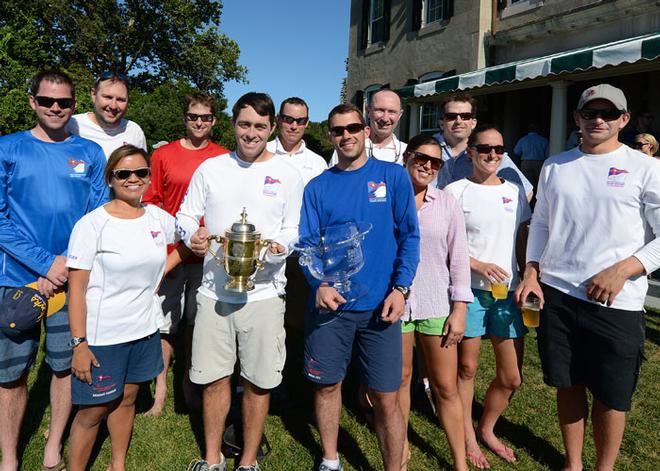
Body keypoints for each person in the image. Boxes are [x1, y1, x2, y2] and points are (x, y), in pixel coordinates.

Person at [516, 84, 660, 471]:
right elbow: (542, 224)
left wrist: (624, 269)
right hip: (558, 294)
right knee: (567, 383)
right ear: (577, 117)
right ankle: (574, 463)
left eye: (609, 114)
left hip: (616, 301)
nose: (599, 119)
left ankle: (605, 467)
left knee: (613, 395)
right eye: (590, 112)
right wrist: (531, 272)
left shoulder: (646, 167)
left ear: (624, 120)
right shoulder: (555, 165)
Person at [178, 92, 304, 471]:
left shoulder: (288, 173)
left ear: (271, 129)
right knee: (214, 378)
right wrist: (191, 236)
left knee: (257, 381)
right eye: (245, 124)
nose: (252, 133)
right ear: (233, 125)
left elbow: (295, 226)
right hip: (214, 289)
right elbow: (186, 215)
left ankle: (248, 461)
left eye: (260, 126)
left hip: (265, 293)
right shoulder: (212, 169)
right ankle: (212, 457)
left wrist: (283, 246)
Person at [299, 103, 419, 471]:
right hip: (331, 307)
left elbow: (410, 236)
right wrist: (317, 283)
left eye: (353, 127)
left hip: (380, 306)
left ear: (366, 130)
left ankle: (393, 467)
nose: (346, 135)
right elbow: (307, 244)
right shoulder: (317, 186)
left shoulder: (393, 177)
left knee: (387, 396)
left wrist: (401, 289)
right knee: (327, 386)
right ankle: (331, 458)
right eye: (337, 130)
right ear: (329, 136)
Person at [0, 70, 108, 471]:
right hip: (16, 279)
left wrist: (63, 265)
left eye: (63, 102)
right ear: (33, 102)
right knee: (11, 375)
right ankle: (9, 458)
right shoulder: (8, 149)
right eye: (47, 101)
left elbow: (95, 217)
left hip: (71, 280)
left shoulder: (91, 154)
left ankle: (52, 448)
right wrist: (45, 265)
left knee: (63, 367)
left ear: (74, 104)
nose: (56, 108)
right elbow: (0, 219)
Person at [66, 145, 186, 471]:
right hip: (103, 336)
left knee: (128, 399)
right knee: (92, 412)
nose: (133, 179)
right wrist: (79, 344)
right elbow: (75, 289)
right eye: (124, 174)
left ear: (149, 177)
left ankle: (117, 464)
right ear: (111, 179)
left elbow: (189, 241)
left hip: (144, 331)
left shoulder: (158, 218)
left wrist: (164, 268)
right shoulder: (92, 225)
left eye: (141, 172)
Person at [445, 125, 531, 469]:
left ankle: (487, 428)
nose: (492, 155)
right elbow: (444, 245)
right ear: (471, 152)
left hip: (508, 294)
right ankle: (467, 436)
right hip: (469, 292)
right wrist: (477, 264)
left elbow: (523, 239)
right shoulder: (455, 191)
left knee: (512, 377)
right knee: (466, 369)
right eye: (484, 149)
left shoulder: (515, 191)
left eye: (498, 149)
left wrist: (529, 277)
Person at [142, 93, 229, 416]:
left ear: (214, 121)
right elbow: (152, 202)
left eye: (205, 117)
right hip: (171, 254)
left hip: (208, 257)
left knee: (197, 323)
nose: (199, 122)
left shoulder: (223, 157)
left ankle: (189, 386)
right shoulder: (164, 155)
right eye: (194, 116)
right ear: (185, 118)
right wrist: (173, 240)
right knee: (166, 326)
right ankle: (160, 389)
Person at [398, 134, 472, 471]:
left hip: (435, 302)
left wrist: (460, 309)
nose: (427, 166)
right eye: (421, 158)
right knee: (399, 380)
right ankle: (398, 449)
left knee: (446, 386)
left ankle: (459, 461)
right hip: (396, 304)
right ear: (407, 158)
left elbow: (458, 259)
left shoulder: (447, 203)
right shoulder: (389, 200)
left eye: (435, 162)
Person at [433, 93, 533, 199]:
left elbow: (526, 192)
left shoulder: (489, 153)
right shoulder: (427, 150)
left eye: (465, 116)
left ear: (473, 123)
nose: (458, 121)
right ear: (441, 123)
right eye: (451, 116)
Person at [67, 72, 147, 158]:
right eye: (108, 97)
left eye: (120, 100)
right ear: (94, 95)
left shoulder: (134, 132)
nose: (113, 106)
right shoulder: (72, 125)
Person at [329, 89, 408, 166]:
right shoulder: (347, 147)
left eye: (392, 112)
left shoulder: (407, 152)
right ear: (368, 111)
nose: (385, 119)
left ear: (400, 115)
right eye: (380, 110)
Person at [267, 97, 327, 184]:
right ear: (278, 118)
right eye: (288, 119)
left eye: (301, 121)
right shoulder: (261, 152)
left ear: (306, 123)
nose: (294, 126)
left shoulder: (318, 164)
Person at [513, 123, 549, 190]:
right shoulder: (543, 140)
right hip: (539, 163)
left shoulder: (523, 140)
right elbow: (548, 154)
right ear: (537, 130)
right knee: (540, 182)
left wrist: (524, 154)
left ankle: (529, 198)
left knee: (527, 182)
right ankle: (537, 198)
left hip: (526, 162)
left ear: (528, 130)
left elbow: (516, 151)